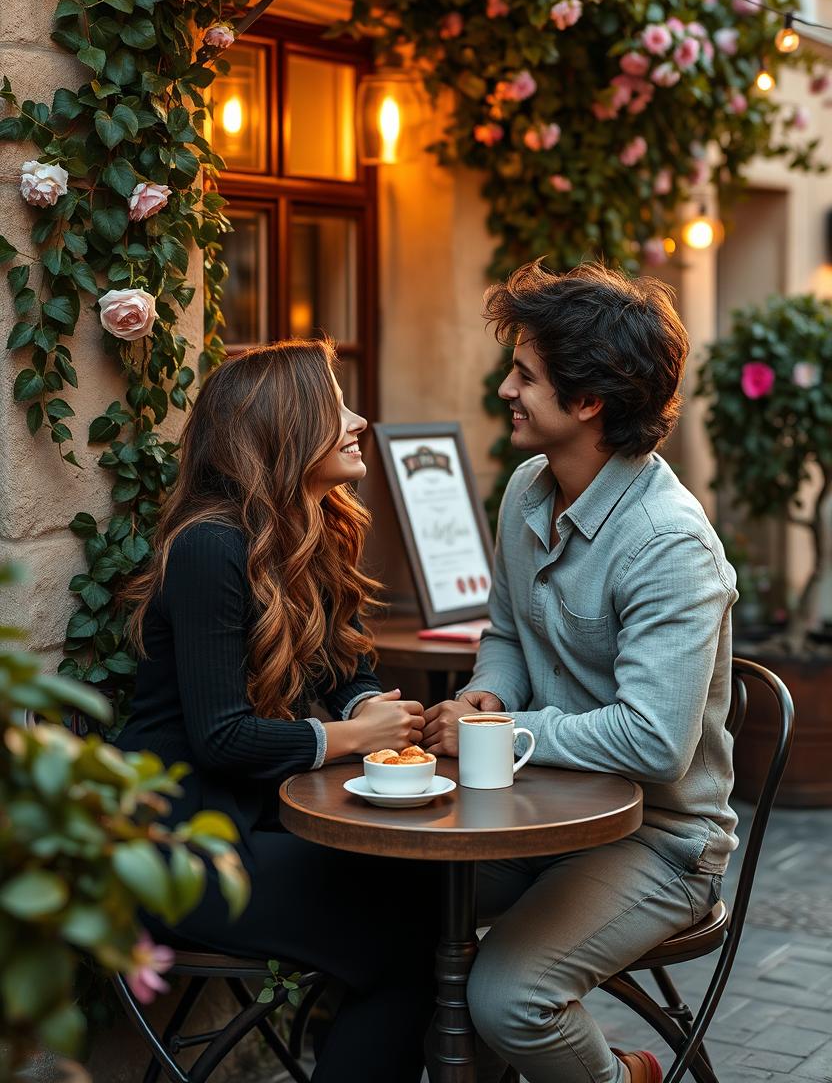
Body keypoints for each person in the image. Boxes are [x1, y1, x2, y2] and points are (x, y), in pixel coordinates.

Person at [423, 261, 738, 1083]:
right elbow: (508, 634)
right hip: (541, 812)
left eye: (524, 374)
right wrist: (489, 688)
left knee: (508, 996)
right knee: (389, 911)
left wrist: (496, 729)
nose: (504, 390)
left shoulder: (669, 543)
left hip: (661, 839)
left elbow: (654, 741)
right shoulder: (529, 491)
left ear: (589, 401)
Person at [116, 338, 439, 1083]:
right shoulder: (210, 548)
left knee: (420, 908)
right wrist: (350, 737)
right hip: (179, 846)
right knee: (412, 943)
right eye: (336, 407)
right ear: (284, 426)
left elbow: (347, 665)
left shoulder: (309, 533)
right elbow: (222, 737)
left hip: (254, 821)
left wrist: (370, 707)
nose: (359, 420)